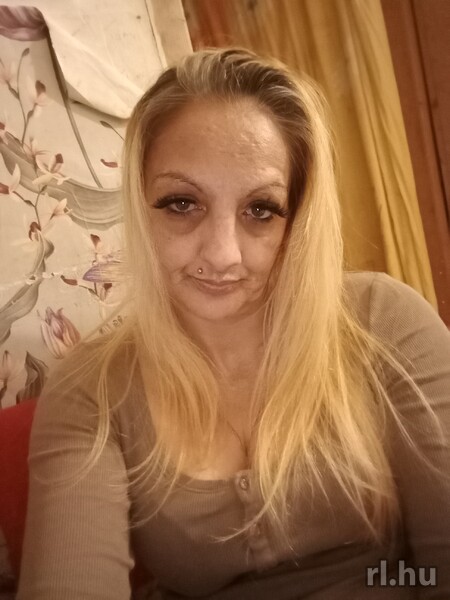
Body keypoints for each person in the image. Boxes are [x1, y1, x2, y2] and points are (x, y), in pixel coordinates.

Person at [17, 48, 450, 600]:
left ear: (297, 218)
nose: (222, 254)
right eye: (181, 203)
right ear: (141, 205)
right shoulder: (92, 391)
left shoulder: (385, 322)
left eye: (260, 210)